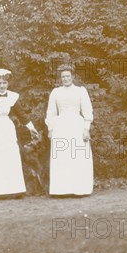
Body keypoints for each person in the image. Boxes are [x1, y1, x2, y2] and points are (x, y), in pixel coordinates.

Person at [0, 68, 39, 198]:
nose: (2, 86)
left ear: (8, 83)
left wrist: (31, 128)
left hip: (7, 129)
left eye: (4, 83)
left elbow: (22, 114)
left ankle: (12, 190)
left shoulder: (13, 96)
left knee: (9, 157)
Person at [46, 65, 94, 196]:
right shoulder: (55, 92)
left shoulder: (80, 91)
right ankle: (62, 189)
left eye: (68, 76)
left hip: (76, 125)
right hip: (60, 126)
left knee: (77, 155)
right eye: (63, 77)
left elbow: (87, 111)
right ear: (60, 79)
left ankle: (80, 188)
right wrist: (50, 128)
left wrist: (86, 129)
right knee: (62, 156)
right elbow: (51, 112)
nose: (65, 79)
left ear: (73, 77)